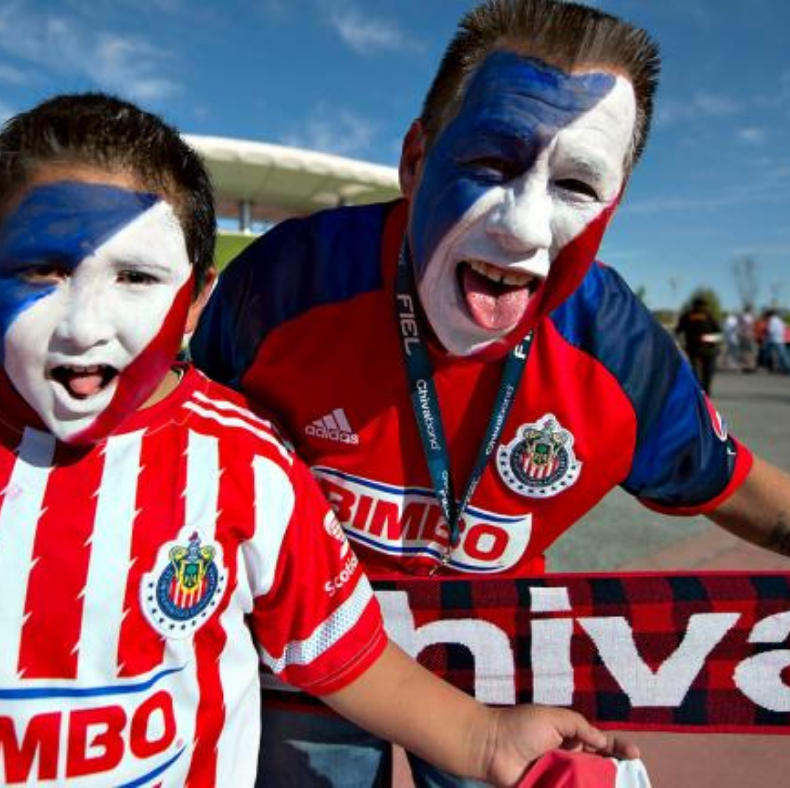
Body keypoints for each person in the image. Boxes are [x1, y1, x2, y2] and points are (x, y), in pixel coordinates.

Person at [0, 93, 635, 788]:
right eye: (45, 271)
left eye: (136, 278)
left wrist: (489, 737)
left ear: (196, 300)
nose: (85, 325)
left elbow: (338, 654)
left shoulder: (249, 466)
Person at [191, 0, 790, 784]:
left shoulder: (617, 347)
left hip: (495, 662)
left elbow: (742, 489)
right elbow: (181, 459)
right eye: (489, 165)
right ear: (416, 160)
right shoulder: (286, 284)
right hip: (307, 660)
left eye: (576, 184)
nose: (523, 229)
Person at [675, 296, 721, 394]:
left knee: (701, 372)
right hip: (703, 349)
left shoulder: (689, 316)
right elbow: (719, 333)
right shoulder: (708, 316)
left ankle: (702, 391)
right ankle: (703, 391)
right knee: (704, 372)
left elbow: (678, 330)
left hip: (700, 349)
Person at [762, 309, 790, 374]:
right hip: (780, 339)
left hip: (774, 340)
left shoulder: (772, 321)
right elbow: (784, 327)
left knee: (768, 353)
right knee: (783, 355)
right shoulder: (779, 320)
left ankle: (786, 368)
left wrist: (765, 331)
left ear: (769, 315)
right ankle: (784, 368)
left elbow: (771, 330)